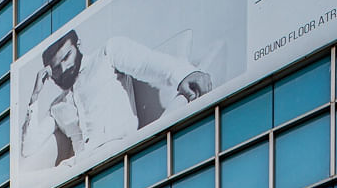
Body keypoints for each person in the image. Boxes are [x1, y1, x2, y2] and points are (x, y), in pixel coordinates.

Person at [20, 29, 213, 169]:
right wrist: (34, 97)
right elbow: (28, 147)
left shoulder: (107, 54)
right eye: (55, 68)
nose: (63, 69)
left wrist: (186, 74)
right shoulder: (57, 106)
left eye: (66, 57)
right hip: (75, 171)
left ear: (78, 45)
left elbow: (147, 63)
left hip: (117, 156)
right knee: (29, 181)